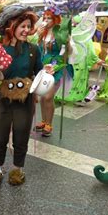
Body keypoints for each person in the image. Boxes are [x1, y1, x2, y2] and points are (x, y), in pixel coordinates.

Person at [0, 3, 52, 186]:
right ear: (11, 26)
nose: (26, 30)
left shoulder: (33, 50)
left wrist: (46, 73)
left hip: (25, 98)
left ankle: (17, 168)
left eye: (28, 26)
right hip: (4, 97)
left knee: (21, 132)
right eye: (22, 26)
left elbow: (39, 71)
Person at [34, 9, 73, 137]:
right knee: (42, 96)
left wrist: (67, 42)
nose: (46, 21)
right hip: (43, 65)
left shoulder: (61, 32)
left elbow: (69, 52)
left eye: (49, 18)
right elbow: (39, 49)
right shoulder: (43, 32)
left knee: (48, 97)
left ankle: (49, 124)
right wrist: (38, 35)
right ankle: (44, 121)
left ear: (56, 19)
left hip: (56, 66)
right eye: (44, 18)